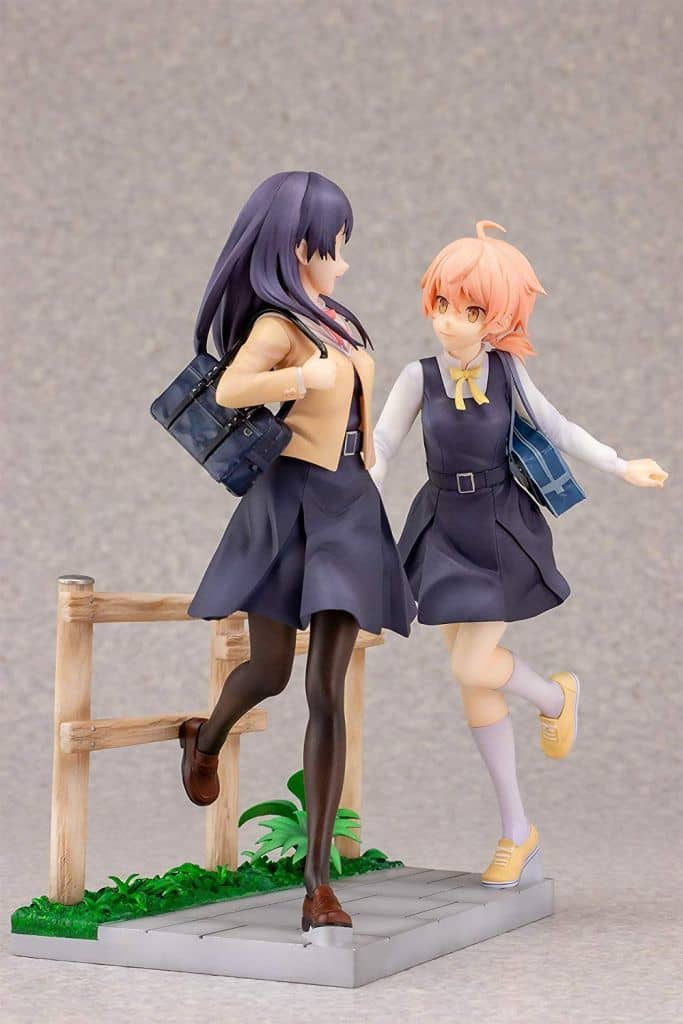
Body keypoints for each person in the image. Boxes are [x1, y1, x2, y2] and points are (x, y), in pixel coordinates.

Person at [370, 221, 667, 887]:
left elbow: (557, 428)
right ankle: (516, 831)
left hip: (498, 525)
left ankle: (555, 698)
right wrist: (362, 489)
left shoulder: (507, 373)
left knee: (474, 662)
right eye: (442, 304)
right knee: (472, 682)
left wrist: (621, 465)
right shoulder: (418, 377)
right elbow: (384, 444)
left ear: (498, 318)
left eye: (470, 309)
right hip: (440, 524)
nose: (450, 321)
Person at [180, 171, 417, 943]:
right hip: (289, 504)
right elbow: (232, 390)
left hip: (348, 505)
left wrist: (373, 455)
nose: (342, 256)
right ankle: (205, 739)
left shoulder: (338, 320)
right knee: (272, 671)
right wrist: (298, 375)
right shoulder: (281, 325)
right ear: (294, 245)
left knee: (326, 690)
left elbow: (358, 409)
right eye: (331, 242)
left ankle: (317, 884)